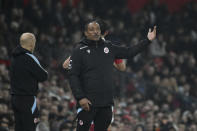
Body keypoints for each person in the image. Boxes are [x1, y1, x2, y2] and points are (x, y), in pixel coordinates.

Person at [68, 20, 156, 131]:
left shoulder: (109, 47)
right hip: (88, 103)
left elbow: (129, 52)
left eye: (97, 29)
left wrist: (147, 40)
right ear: (85, 33)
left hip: (106, 103)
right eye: (92, 29)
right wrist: (80, 97)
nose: (95, 32)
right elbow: (73, 75)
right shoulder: (79, 50)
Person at [10, 33, 48, 131]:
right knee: (30, 127)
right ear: (31, 43)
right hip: (27, 98)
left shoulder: (14, 58)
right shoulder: (29, 57)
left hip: (15, 98)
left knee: (19, 127)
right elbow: (43, 76)